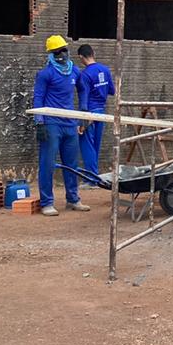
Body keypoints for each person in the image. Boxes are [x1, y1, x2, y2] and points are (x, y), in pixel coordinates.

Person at [32, 35, 91, 217]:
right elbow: (38, 98)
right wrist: (39, 122)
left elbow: (83, 89)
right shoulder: (45, 74)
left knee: (71, 163)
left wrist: (83, 111)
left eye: (63, 50)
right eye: (57, 52)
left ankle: (73, 199)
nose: (62, 54)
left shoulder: (74, 72)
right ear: (51, 54)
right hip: (51, 124)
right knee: (48, 163)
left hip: (70, 123)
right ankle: (47, 202)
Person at [75, 44, 114, 175]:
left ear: (81, 57)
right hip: (101, 111)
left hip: (89, 112)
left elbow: (83, 98)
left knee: (87, 145)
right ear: (93, 53)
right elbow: (112, 91)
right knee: (96, 144)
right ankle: (94, 175)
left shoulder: (85, 75)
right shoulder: (105, 70)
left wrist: (83, 120)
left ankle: (91, 178)